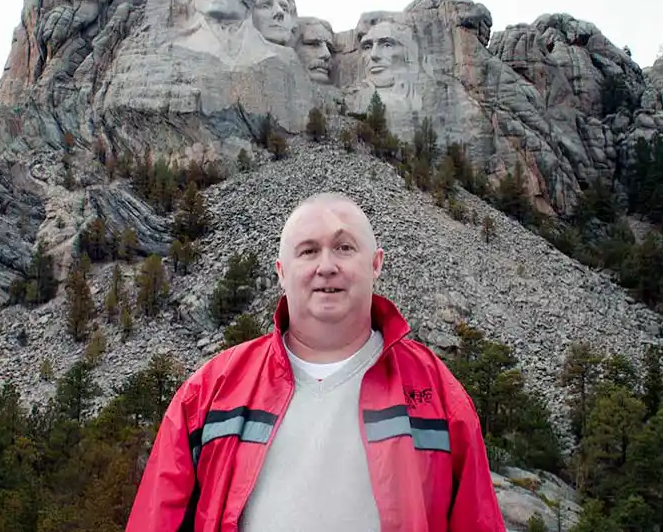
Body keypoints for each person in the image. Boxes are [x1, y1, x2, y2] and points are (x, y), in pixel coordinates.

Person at [125, 193, 506, 531]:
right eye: (308, 251)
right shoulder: (209, 392)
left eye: (344, 248)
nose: (326, 266)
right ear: (281, 272)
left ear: (375, 264)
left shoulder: (439, 394)